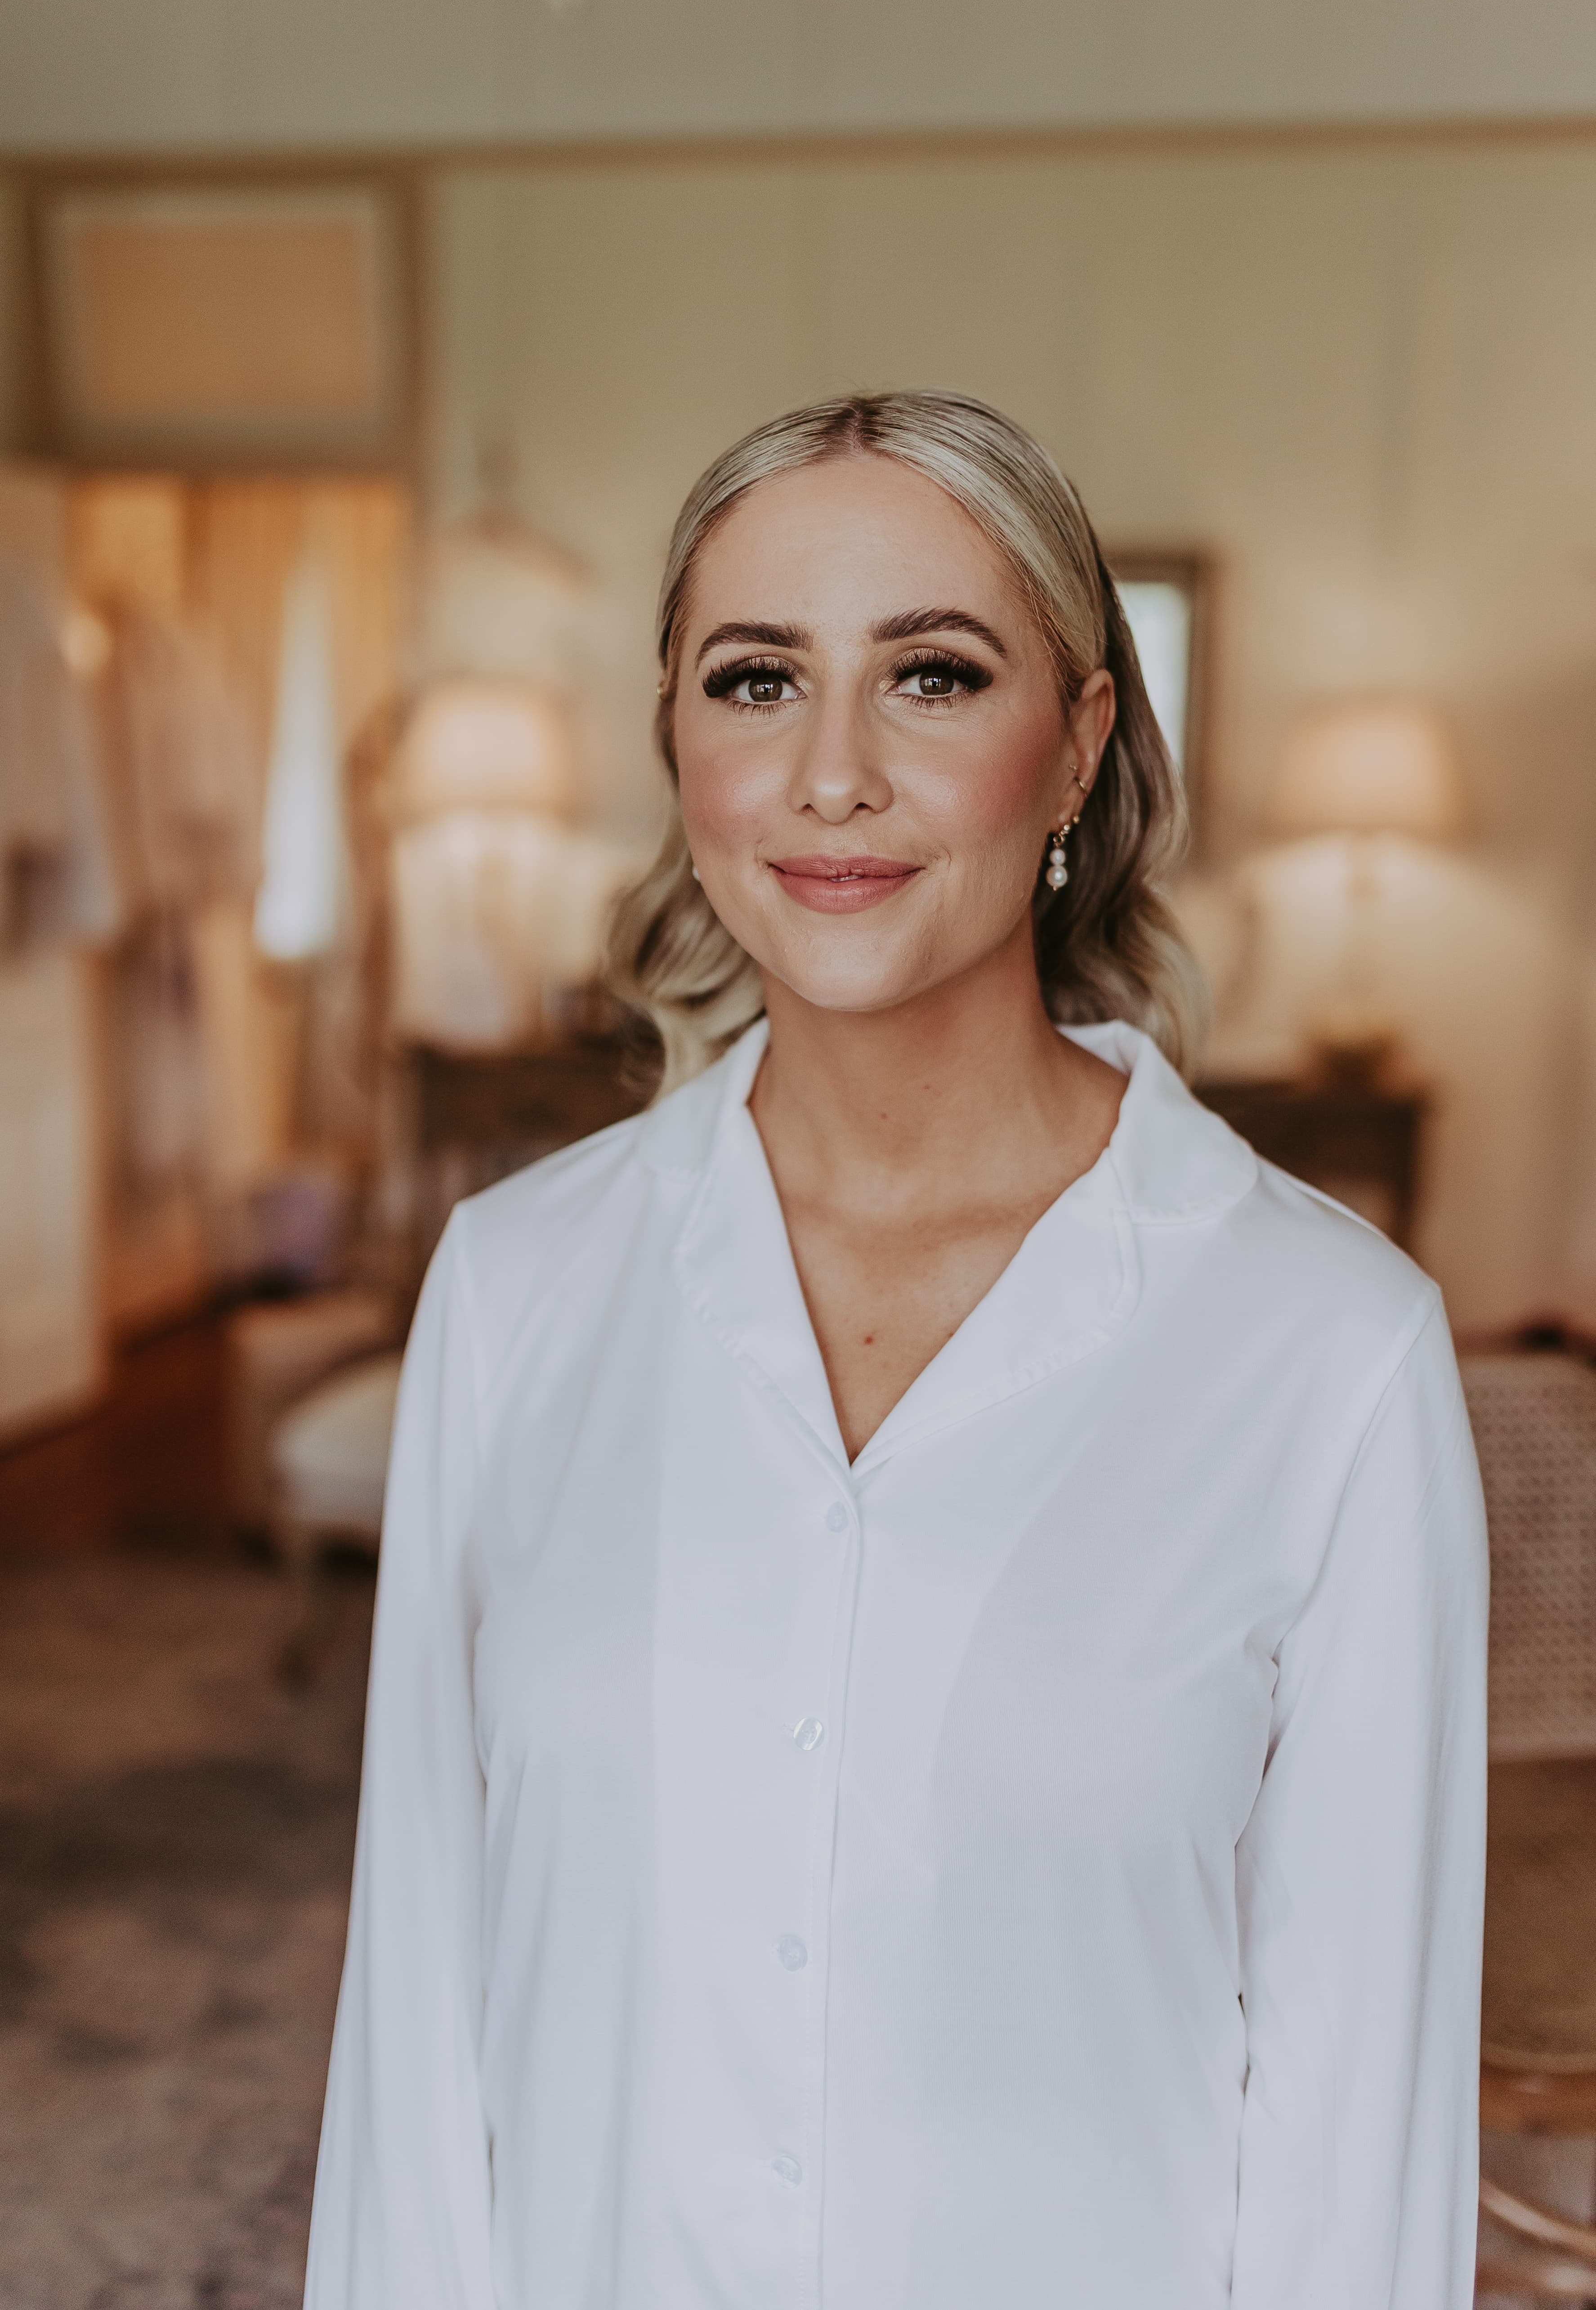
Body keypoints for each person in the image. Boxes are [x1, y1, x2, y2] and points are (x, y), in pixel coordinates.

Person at [304, 392, 1487, 2310]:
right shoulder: (516, 1289)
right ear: (676, 735)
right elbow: (419, 2039)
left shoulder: (1329, 1351)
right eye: (758, 679)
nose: (830, 775)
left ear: (1079, 744)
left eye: (933, 676)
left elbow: (1363, 2123)